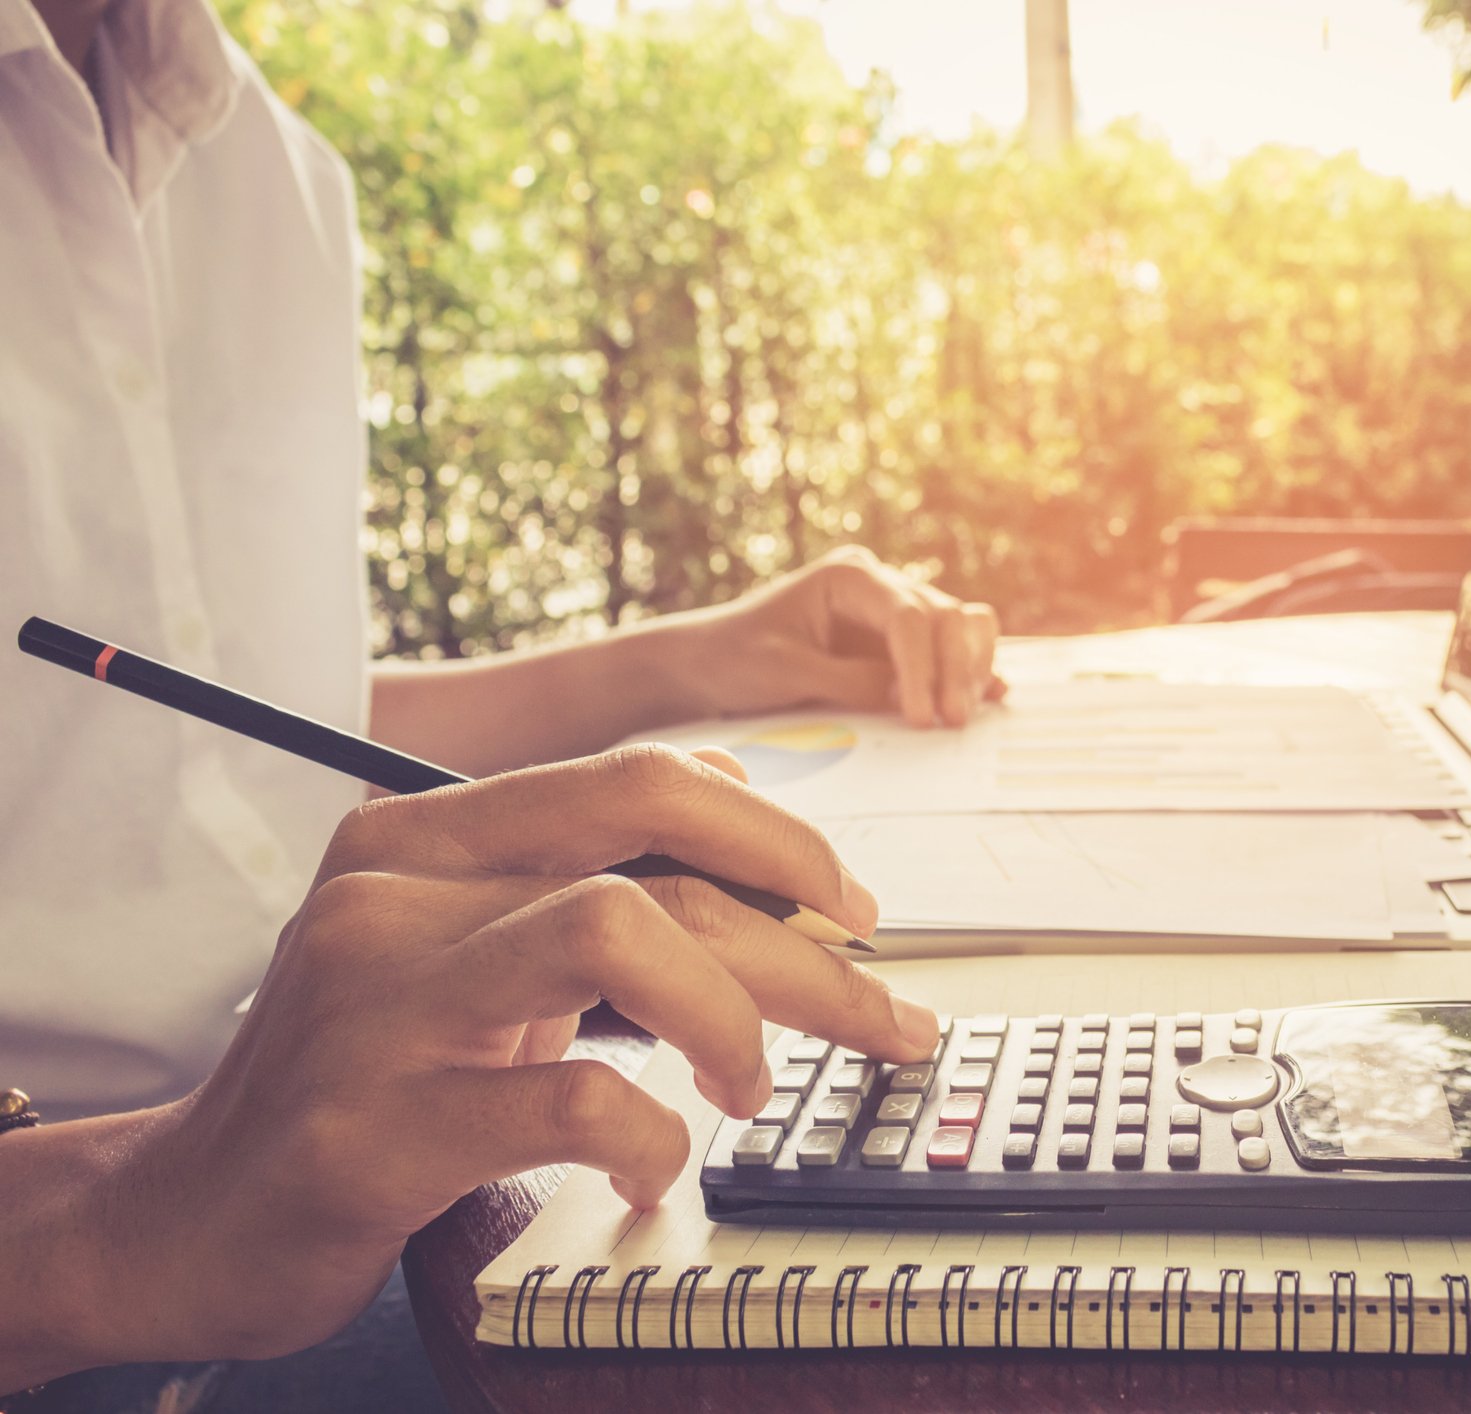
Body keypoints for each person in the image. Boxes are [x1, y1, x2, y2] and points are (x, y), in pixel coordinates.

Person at [0, 0, 1001, 1399]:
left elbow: (226, 734)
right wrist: (117, 1217)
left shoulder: (274, 178)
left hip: (350, 1173)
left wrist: (696, 657)